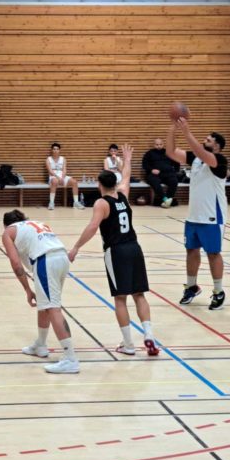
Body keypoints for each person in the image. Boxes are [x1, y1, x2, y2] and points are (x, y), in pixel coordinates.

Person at [68, 144, 159, 356]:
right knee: (139, 295)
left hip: (116, 251)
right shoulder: (123, 194)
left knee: (120, 298)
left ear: (99, 184)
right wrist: (127, 159)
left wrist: (76, 247)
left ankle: (128, 344)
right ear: (114, 183)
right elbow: (125, 177)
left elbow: (92, 227)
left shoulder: (102, 203)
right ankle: (149, 335)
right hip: (134, 248)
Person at [2, 209, 80, 374]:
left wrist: (27, 290)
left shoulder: (8, 231)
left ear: (5, 225)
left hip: (46, 260)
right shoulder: (36, 224)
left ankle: (70, 358)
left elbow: (16, 264)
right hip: (62, 258)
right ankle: (41, 345)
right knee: (45, 304)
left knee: (53, 308)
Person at [166, 116, 228, 311]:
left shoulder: (219, 161)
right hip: (193, 216)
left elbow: (202, 153)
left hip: (212, 217)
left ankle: (218, 291)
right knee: (191, 251)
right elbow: (170, 152)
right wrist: (172, 129)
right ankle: (191, 286)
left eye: (208, 140)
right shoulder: (196, 159)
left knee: (213, 253)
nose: (204, 141)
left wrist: (187, 132)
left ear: (217, 146)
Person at [142, 138, 180, 208]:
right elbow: (144, 165)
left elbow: (177, 163)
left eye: (160, 144)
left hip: (168, 174)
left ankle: (168, 200)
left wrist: (175, 172)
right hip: (154, 175)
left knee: (174, 181)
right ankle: (165, 199)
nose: (159, 146)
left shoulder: (168, 153)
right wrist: (151, 170)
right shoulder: (149, 153)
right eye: (157, 144)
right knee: (154, 182)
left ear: (163, 144)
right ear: (154, 145)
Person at [46, 142, 84, 210]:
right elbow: (50, 171)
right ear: (52, 150)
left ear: (59, 150)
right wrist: (58, 178)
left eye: (57, 149)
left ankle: (76, 202)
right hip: (53, 176)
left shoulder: (63, 159)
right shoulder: (48, 159)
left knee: (74, 182)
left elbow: (64, 170)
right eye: (54, 149)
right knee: (54, 181)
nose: (55, 150)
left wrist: (62, 178)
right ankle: (51, 203)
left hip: (62, 176)